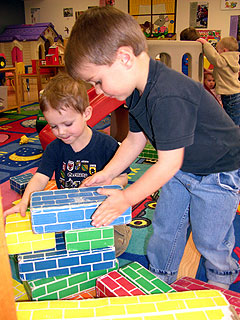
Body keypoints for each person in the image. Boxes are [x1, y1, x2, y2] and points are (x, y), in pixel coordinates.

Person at [64, 6, 240, 289]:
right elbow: (135, 140)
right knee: (165, 227)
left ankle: (221, 278)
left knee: (210, 237)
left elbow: (167, 163)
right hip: (181, 168)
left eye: (97, 80)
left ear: (123, 57)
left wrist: (126, 198)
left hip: (217, 171)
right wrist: (108, 174)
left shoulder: (167, 94)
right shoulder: (136, 93)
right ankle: (162, 275)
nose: (97, 91)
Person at [3, 72, 132, 257]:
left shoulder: (107, 144)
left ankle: (122, 230)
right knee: (48, 236)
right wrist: (25, 201)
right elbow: (39, 178)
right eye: (54, 126)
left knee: (114, 245)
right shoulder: (55, 148)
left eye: (67, 123)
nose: (61, 132)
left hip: (101, 208)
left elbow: (123, 178)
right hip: (70, 208)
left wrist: (106, 184)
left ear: (86, 113)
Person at [197, 36, 240, 125]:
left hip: (230, 96)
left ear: (224, 51)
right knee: (234, 118)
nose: (217, 53)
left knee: (231, 120)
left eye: (218, 50)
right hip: (235, 94)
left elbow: (214, 59)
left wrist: (206, 44)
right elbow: (225, 73)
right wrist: (210, 71)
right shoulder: (233, 61)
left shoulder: (223, 60)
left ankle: (232, 137)